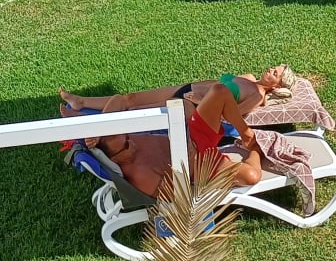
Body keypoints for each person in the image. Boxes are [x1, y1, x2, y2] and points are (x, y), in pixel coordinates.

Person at [92, 80, 263, 195]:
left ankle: (247, 135)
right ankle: (255, 148)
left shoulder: (116, 138)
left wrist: (97, 130)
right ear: (116, 158)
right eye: (127, 143)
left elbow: (118, 100)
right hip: (201, 166)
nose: (132, 140)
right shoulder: (140, 175)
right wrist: (188, 163)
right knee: (252, 176)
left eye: (127, 136)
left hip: (193, 136)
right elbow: (174, 196)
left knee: (219, 91)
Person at [60, 65, 298, 120]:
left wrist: (201, 101)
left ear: (277, 86)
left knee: (134, 111)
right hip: (188, 89)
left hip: (192, 105)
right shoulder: (248, 77)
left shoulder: (257, 97)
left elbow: (230, 115)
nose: (271, 69)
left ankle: (87, 124)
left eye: (275, 73)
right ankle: (81, 102)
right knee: (129, 98)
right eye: (274, 67)